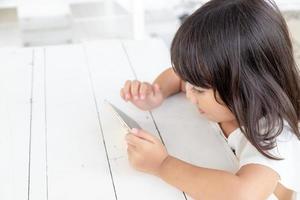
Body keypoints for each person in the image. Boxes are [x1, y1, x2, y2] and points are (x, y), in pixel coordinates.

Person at [120, 0, 300, 199]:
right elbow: (178, 76)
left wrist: (162, 165)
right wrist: (156, 93)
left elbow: (242, 194)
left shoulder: (275, 133)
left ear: (243, 90)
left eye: (198, 90)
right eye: (190, 84)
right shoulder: (224, 90)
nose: (188, 93)